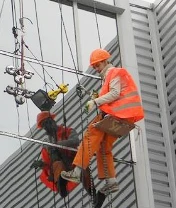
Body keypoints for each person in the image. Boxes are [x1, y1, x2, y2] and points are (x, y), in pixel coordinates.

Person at [61, 48, 145, 195]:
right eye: (94, 67)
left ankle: (76, 172)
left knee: (89, 136)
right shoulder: (109, 76)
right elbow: (114, 94)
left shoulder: (113, 72)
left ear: (105, 61)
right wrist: (96, 98)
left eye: (97, 65)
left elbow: (114, 93)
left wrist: (95, 101)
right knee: (103, 147)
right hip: (123, 118)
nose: (96, 68)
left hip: (116, 115)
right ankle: (111, 182)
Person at [30, 111, 93, 198]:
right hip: (61, 168)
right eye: (44, 125)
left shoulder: (67, 131)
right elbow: (49, 165)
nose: (47, 126)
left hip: (73, 162)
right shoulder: (47, 146)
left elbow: (75, 141)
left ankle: (93, 194)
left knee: (83, 168)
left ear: (53, 121)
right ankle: (61, 185)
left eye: (48, 122)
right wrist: (41, 164)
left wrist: (57, 144)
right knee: (57, 164)